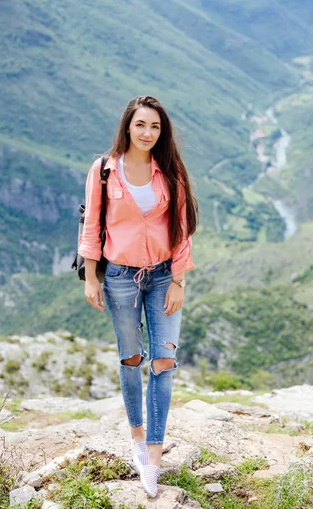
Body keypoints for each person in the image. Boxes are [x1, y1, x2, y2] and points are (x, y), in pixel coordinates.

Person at [78, 95, 198, 497]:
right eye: (141, 125)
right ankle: (135, 435)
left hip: (163, 276)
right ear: (127, 126)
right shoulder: (104, 170)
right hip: (119, 277)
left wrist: (179, 280)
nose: (148, 133)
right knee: (132, 358)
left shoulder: (169, 171)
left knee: (163, 360)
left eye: (155, 127)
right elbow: (92, 224)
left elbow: (182, 226)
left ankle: (154, 453)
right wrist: (91, 277)